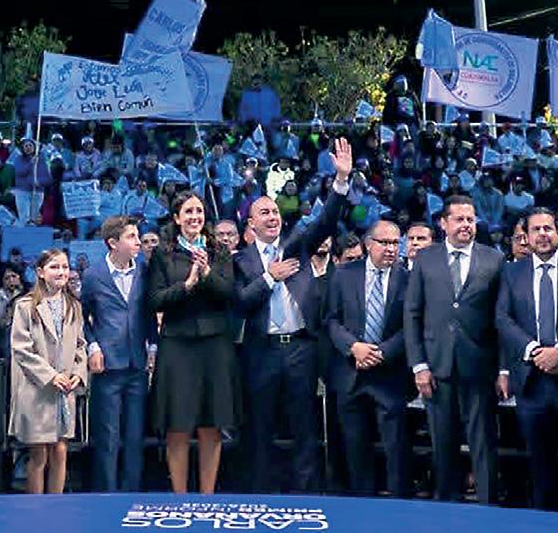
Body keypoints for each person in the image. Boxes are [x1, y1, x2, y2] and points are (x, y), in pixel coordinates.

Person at [233, 137, 351, 492]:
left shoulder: (297, 243)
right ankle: (259, 494)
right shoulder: (241, 261)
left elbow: (326, 222)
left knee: (304, 426)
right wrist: (270, 277)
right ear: (250, 224)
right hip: (261, 351)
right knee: (259, 428)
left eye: (275, 211)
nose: (272, 217)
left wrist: (340, 180)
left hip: (301, 349)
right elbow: (241, 303)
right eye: (264, 213)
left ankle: (307, 495)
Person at [404, 194, 504, 504]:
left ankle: (488, 509)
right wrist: (419, 365)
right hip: (437, 368)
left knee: (483, 444)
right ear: (443, 223)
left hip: (480, 367)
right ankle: (445, 510)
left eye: (470, 219)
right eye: (459, 219)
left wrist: (503, 369)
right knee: (442, 445)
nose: (465, 225)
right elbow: (412, 314)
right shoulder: (425, 259)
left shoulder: (494, 259)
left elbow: (501, 318)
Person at [494, 209, 558, 512]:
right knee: (539, 463)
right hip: (530, 381)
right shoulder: (511, 272)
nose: (542, 234)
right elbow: (502, 318)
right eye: (535, 229)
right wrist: (535, 351)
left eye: (548, 228)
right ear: (526, 237)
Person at [146, 190, 238, 495]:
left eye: (199, 211)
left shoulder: (218, 250)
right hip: (178, 344)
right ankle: (180, 498)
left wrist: (207, 273)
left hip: (215, 345)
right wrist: (186, 285)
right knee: (178, 423)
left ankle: (207, 496)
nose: (195, 217)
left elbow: (228, 293)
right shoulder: (163, 253)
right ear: (176, 218)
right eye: (188, 212)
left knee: (212, 423)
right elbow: (155, 299)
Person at [324, 219, 411, 498]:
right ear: (368, 244)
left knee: (396, 448)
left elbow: (410, 326)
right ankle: (361, 506)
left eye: (395, 243)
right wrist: (354, 348)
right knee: (355, 447)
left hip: (390, 374)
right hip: (350, 372)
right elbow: (331, 320)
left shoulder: (409, 279)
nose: (391, 249)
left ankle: (398, 506)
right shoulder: (343, 274)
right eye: (385, 242)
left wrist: (380, 352)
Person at [81, 215, 156, 492]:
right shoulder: (93, 275)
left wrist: (153, 345)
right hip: (108, 365)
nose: (138, 242)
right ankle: (106, 493)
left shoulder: (144, 271)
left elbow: (149, 313)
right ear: (113, 243)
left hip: (137, 363)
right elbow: (81, 317)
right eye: (131, 237)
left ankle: (131, 492)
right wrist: (93, 346)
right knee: (108, 436)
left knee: (135, 435)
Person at [9, 248, 88, 495]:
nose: (61, 271)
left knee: (61, 451)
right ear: (40, 272)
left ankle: (57, 504)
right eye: (55, 267)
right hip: (37, 390)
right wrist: (51, 376)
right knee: (39, 453)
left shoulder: (74, 306)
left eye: (65, 267)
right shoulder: (25, 306)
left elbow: (80, 346)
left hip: (64, 390)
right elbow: (21, 349)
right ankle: (37, 507)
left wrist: (78, 374)